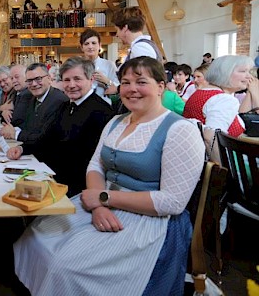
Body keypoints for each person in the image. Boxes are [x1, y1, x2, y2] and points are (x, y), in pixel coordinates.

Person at [14, 57, 205, 295]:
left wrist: (103, 199)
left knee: (64, 265)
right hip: (104, 201)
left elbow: (172, 202)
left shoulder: (180, 130)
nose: (131, 89)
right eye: (125, 82)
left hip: (150, 219)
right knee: (35, 237)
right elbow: (96, 165)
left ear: (160, 86)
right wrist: (99, 204)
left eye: (141, 82)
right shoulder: (116, 121)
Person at [7, 57, 114, 196]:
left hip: (75, 186)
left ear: (91, 79)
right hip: (51, 175)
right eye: (67, 80)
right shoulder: (66, 106)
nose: (71, 85)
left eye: (77, 79)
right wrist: (22, 148)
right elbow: (48, 138)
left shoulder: (102, 111)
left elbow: (91, 162)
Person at [184, 55, 254, 143]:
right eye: (243, 71)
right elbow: (212, 140)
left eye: (249, 71)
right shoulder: (223, 99)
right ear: (225, 73)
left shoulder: (201, 93)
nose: (249, 76)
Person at [0, 63, 68, 143]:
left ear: (49, 78)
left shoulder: (58, 101)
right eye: (29, 81)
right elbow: (29, 127)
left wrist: (15, 134)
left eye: (38, 79)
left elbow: (45, 139)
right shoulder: (34, 98)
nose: (34, 84)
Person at [80, 28, 119, 105]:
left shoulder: (109, 65)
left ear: (99, 45)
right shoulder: (77, 65)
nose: (90, 46)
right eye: (86, 44)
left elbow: (118, 88)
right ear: (82, 47)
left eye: (94, 43)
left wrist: (106, 81)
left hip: (104, 105)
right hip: (82, 104)